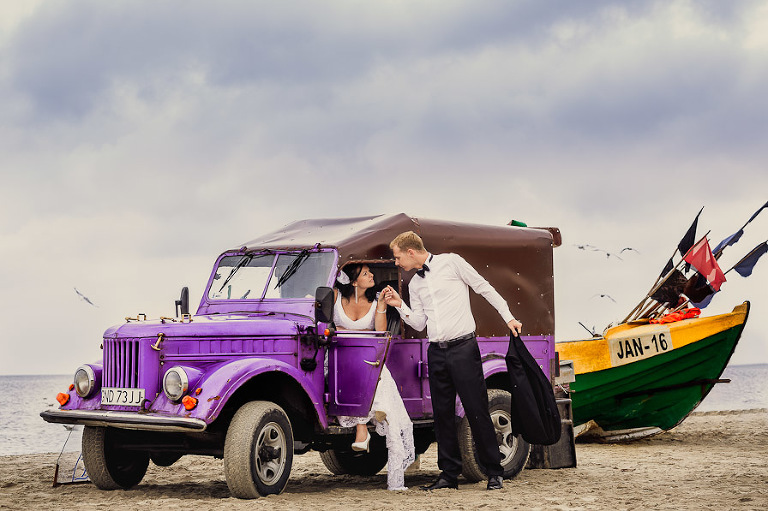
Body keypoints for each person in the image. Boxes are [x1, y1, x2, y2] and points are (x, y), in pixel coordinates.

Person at [382, 231, 523, 491]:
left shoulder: (452, 262)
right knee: (442, 415)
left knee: (476, 410)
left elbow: (484, 288)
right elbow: (420, 323)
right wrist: (400, 305)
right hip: (436, 351)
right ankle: (448, 475)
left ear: (411, 252)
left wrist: (509, 317)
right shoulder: (414, 284)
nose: (396, 262)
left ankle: (494, 472)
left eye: (398, 256)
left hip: (464, 348)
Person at [333, 263, 415, 491]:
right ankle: (368, 419)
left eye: (371, 272)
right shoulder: (336, 295)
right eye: (366, 273)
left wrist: (380, 306)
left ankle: (365, 426)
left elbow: (379, 334)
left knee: (376, 376)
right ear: (353, 281)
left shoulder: (374, 300)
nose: (372, 276)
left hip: (367, 356)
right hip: (340, 357)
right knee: (358, 376)